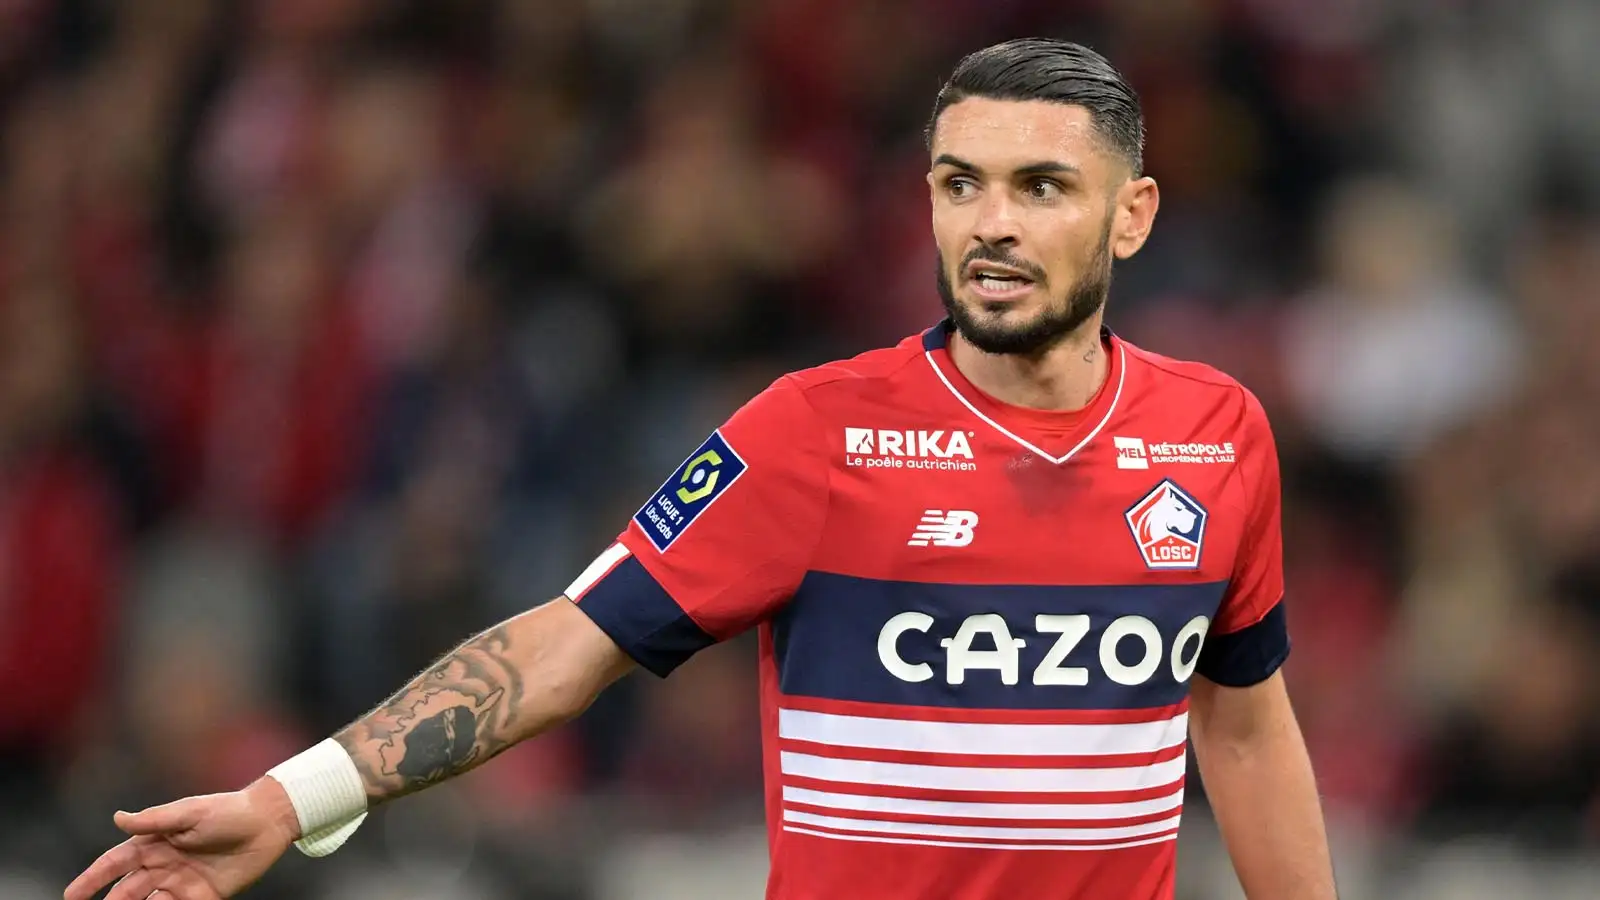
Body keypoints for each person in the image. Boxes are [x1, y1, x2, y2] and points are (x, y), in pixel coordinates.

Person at [65, 38, 1337, 900]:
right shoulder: (814, 430)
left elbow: (1242, 724)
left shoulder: (1215, 435)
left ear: (1134, 215)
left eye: (1041, 186)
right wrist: (295, 799)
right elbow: (569, 645)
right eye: (961, 183)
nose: (991, 222)